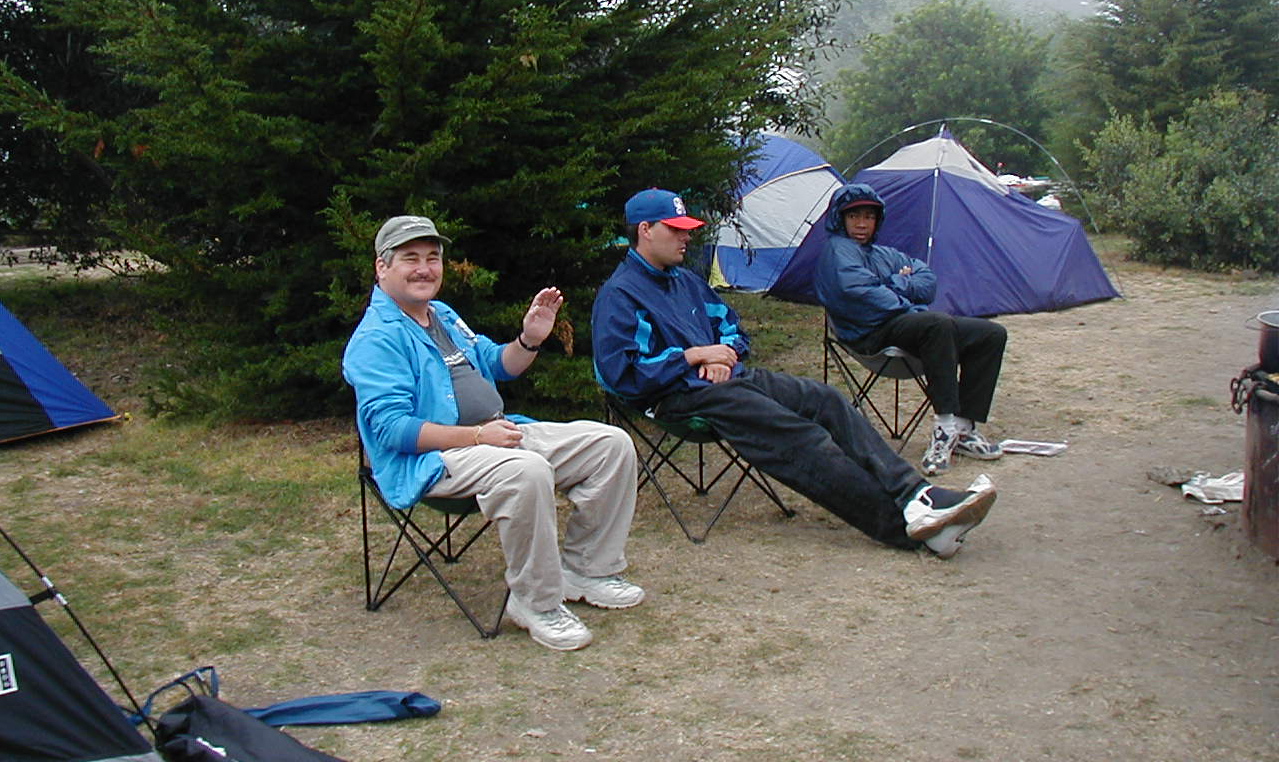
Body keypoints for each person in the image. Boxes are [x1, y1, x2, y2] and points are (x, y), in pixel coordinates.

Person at [591, 188, 997, 558]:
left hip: (726, 379)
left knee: (827, 399)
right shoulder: (621, 294)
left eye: (688, 229)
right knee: (797, 435)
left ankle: (916, 496)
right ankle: (907, 530)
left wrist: (724, 355)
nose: (687, 237)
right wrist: (694, 356)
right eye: (676, 229)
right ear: (645, 230)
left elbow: (731, 327)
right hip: (675, 397)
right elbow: (620, 374)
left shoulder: (686, 282)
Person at [343, 215, 643, 651]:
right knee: (527, 470)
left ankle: (587, 570)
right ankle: (536, 603)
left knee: (610, 444)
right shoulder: (376, 339)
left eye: (433, 258)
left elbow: (496, 365)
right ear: (382, 268)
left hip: (498, 434)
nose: (425, 268)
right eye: (410, 259)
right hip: (434, 461)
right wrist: (477, 438)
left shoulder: (440, 315)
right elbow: (392, 431)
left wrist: (530, 339)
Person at [815, 182, 1009, 477]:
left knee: (990, 334)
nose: (862, 224)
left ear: (877, 221)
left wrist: (895, 283)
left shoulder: (882, 253)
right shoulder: (837, 250)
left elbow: (927, 281)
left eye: (869, 217)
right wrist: (903, 288)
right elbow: (858, 291)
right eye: (854, 217)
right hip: (868, 333)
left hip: (903, 323)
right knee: (936, 323)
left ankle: (963, 429)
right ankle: (943, 428)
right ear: (840, 219)